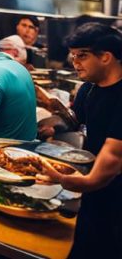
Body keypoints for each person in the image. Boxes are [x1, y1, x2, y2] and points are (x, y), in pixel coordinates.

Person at [39, 23, 122, 258]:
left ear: (106, 57)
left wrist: (62, 180)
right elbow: (77, 122)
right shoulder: (88, 89)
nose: (75, 62)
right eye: (73, 56)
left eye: (82, 56)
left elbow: (112, 159)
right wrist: (54, 116)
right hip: (94, 191)